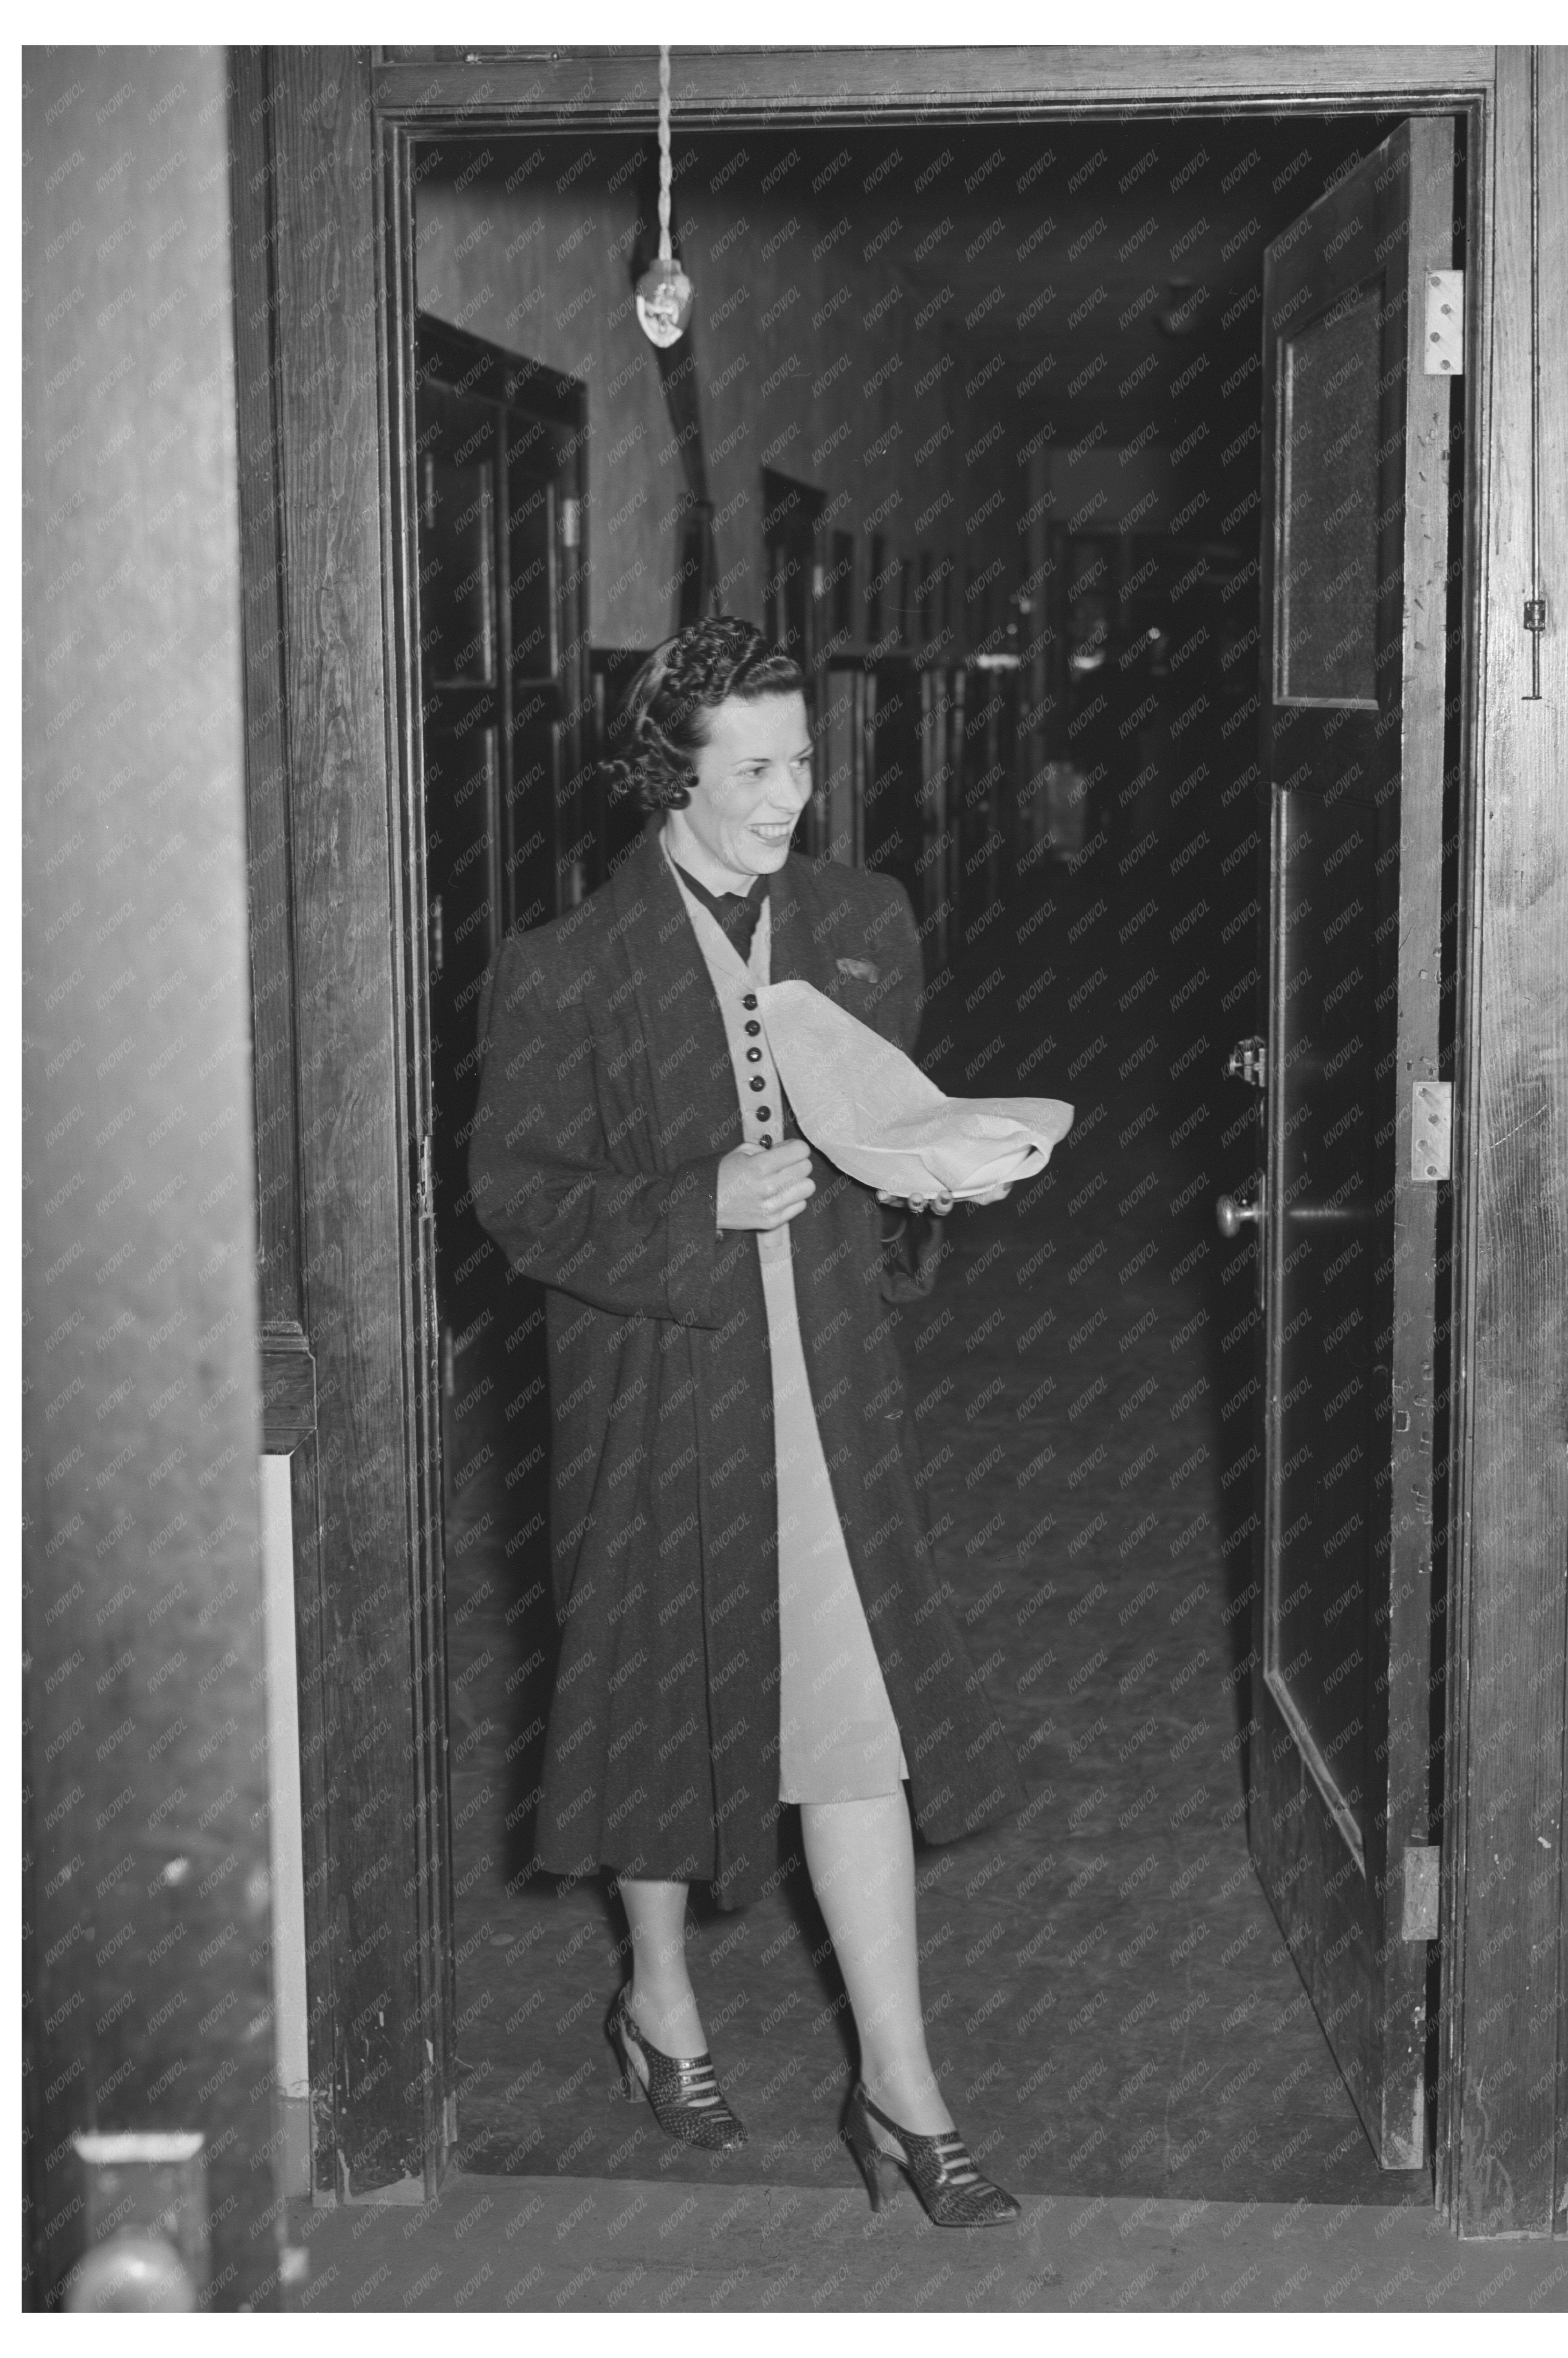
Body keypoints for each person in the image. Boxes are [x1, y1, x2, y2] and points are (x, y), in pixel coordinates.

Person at [468, 618, 1025, 2227]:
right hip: (658, 1387)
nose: (791, 795)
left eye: (803, 762)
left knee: (856, 1717)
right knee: (656, 1696)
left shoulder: (861, 920)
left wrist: (928, 1175)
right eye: (756, 769)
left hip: (826, 1390)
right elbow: (515, 1196)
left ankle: (901, 2088)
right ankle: (658, 1996)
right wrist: (691, 1202)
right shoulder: (564, 967)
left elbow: (883, 1114)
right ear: (672, 777)